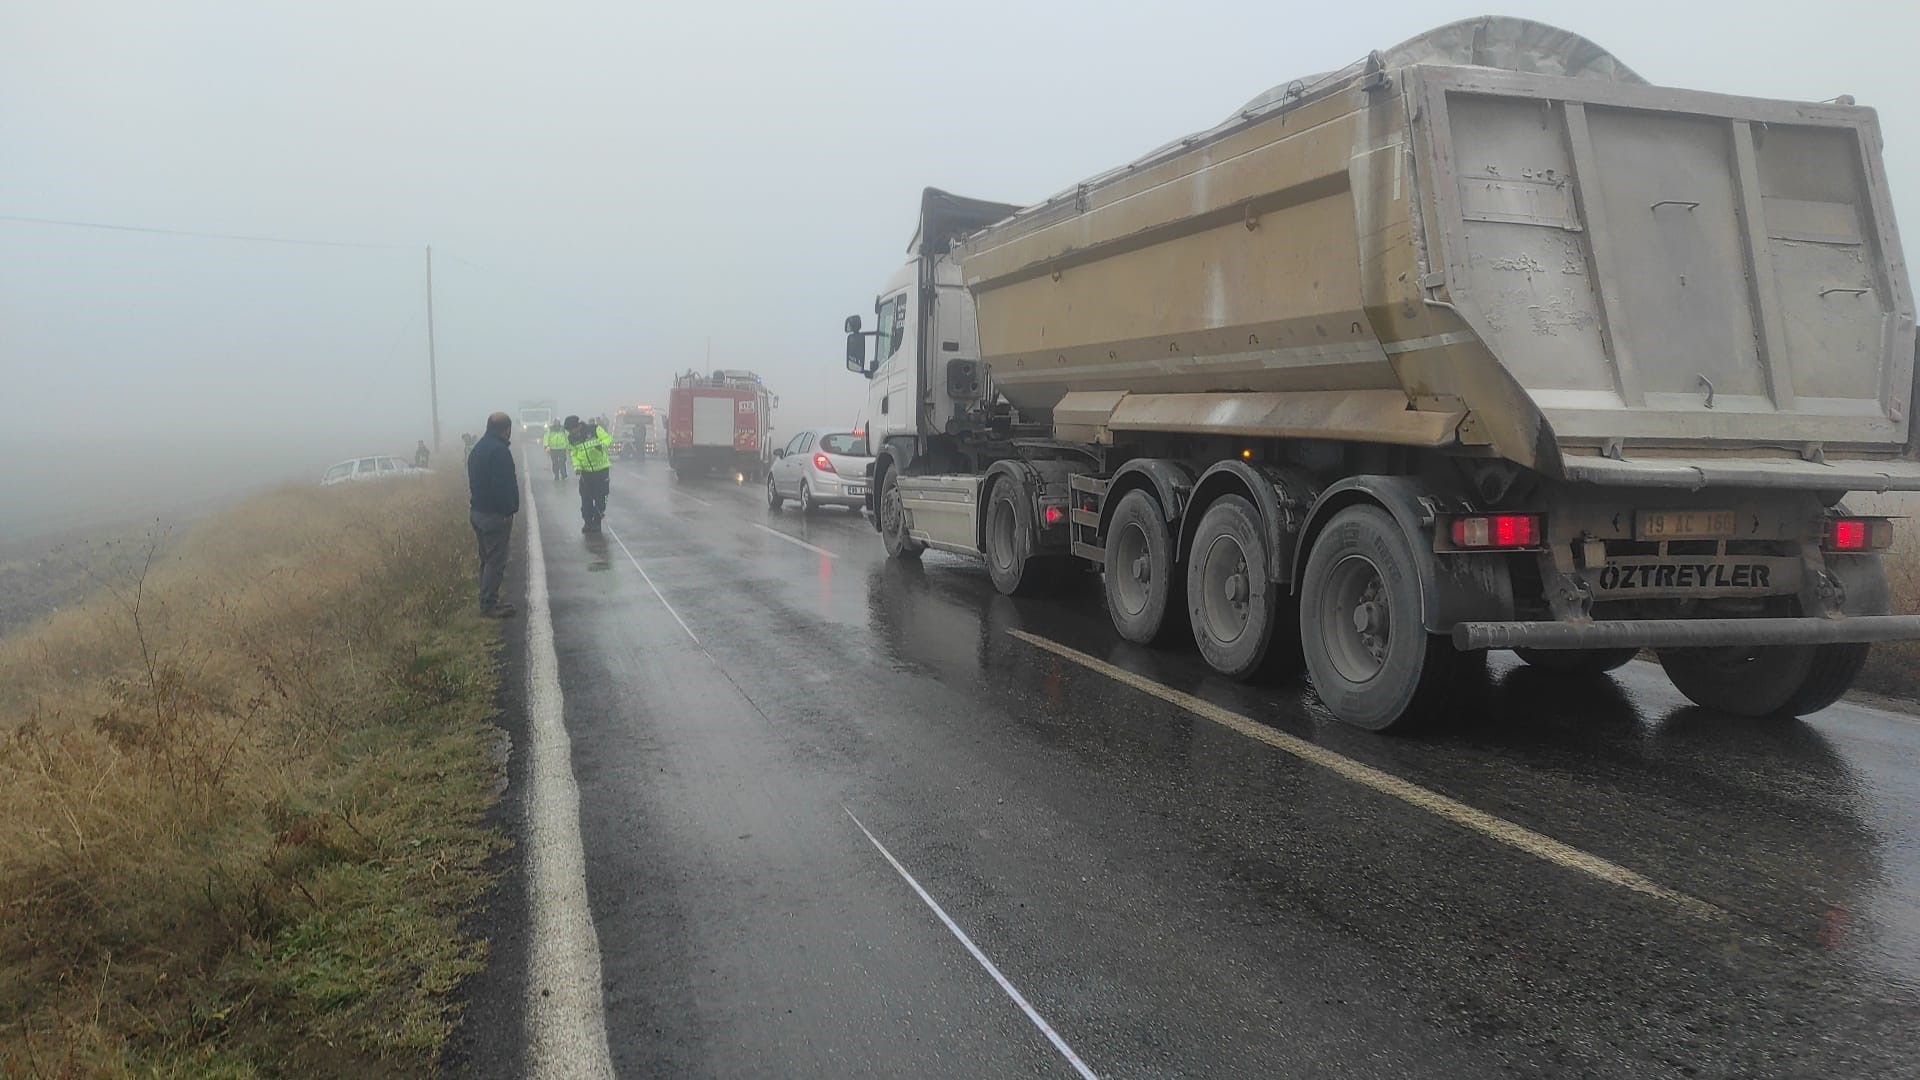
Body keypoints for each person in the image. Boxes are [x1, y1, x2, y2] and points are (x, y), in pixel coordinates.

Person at [466, 412, 519, 618]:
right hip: (494, 515)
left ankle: (486, 599)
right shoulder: (499, 451)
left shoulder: (477, 449)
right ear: (506, 429)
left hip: (478, 511)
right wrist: (507, 510)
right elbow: (502, 486)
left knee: (486, 560)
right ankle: (489, 605)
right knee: (495, 561)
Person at [566, 413, 613, 533]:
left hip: (601, 470)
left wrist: (601, 445)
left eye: (571, 430)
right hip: (586, 472)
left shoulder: (594, 429)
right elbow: (574, 453)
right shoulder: (571, 439)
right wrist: (577, 466)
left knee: (600, 497)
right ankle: (587, 522)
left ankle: (597, 522)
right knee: (585, 498)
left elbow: (608, 439)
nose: (570, 433)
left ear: (577, 426)